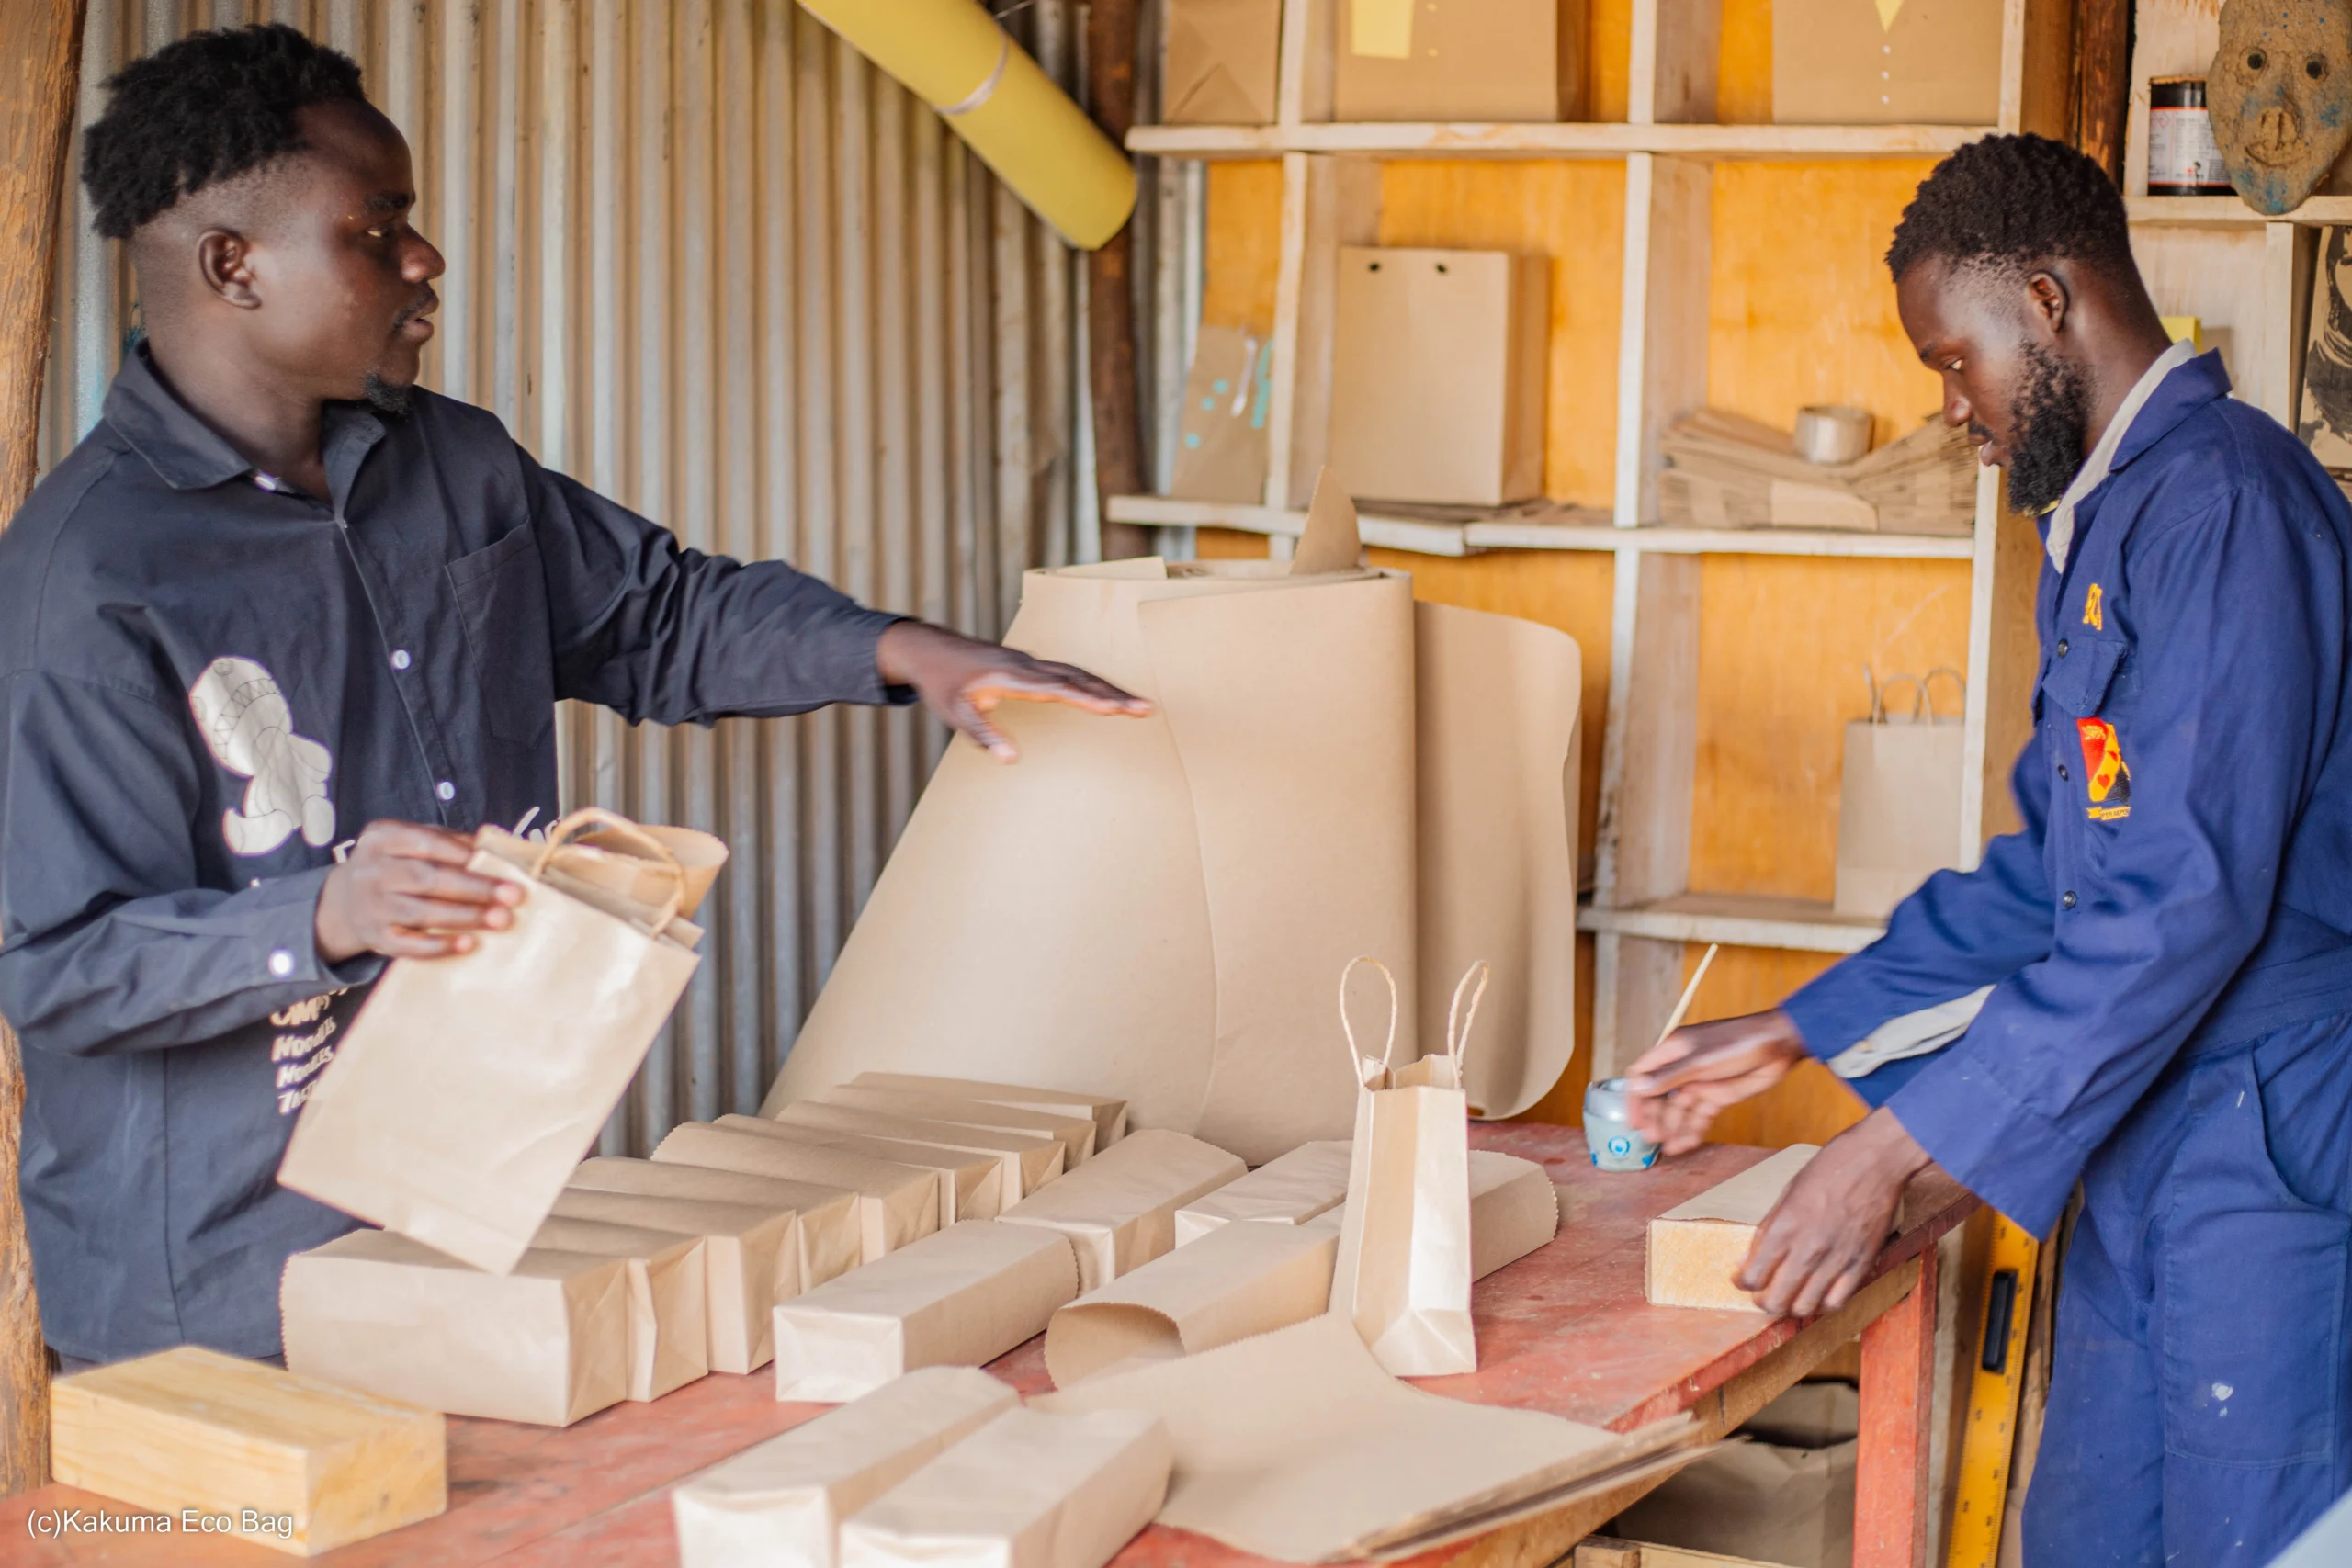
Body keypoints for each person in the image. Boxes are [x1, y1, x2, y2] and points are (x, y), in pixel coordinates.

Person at [0, 25, 1147, 1371]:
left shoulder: (456, 466)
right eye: (380, 230)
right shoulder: (89, 582)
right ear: (232, 267)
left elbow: (658, 614)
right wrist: (321, 913)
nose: (425, 261)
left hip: (481, 1206)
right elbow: (55, 962)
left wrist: (897, 649)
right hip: (229, 1297)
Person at [1623, 134, 2352, 1565]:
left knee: (2248, 1540)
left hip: (2267, 1143)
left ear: (2044, 299)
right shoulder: (2110, 522)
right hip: (2144, 1126)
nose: (1954, 408)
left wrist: (1890, 1149)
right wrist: (1794, 1026)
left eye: (1956, 362)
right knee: (2083, 1532)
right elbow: (2054, 870)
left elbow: (2179, 906)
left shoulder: (2226, 508)